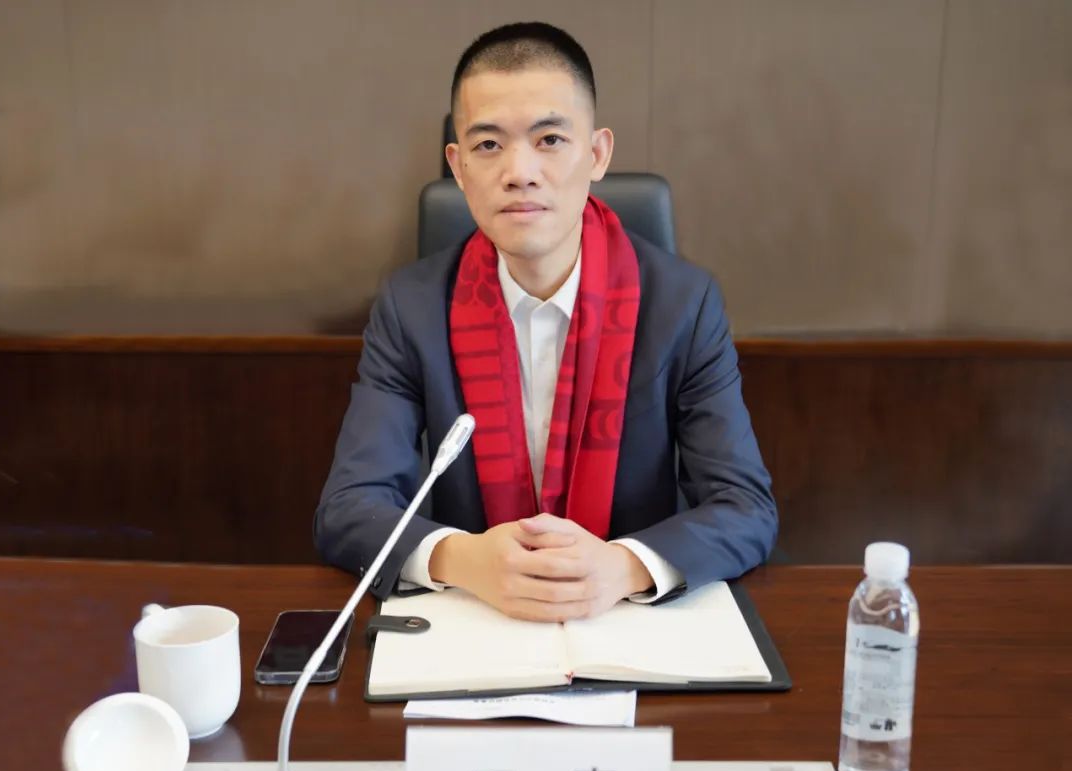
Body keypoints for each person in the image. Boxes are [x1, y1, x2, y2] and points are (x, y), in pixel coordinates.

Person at [315, 22, 776, 622]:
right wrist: (463, 558)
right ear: (457, 166)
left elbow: (745, 507)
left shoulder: (683, 305)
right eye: (488, 145)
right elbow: (349, 507)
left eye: (550, 139)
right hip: (479, 617)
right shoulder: (412, 307)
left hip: (627, 621)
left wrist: (624, 566)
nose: (520, 171)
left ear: (598, 154)